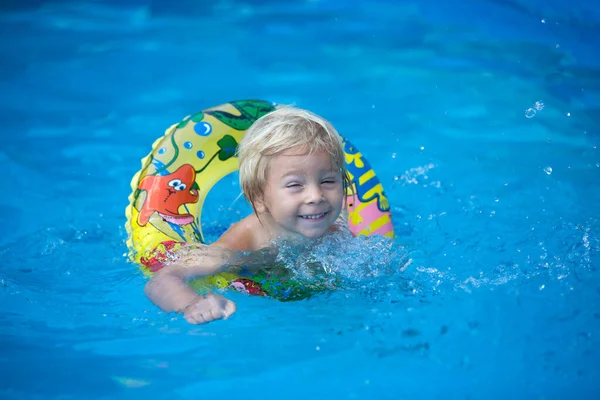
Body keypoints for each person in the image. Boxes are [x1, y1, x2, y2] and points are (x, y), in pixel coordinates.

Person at [144, 106, 352, 324]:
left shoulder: (334, 227)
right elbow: (161, 280)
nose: (316, 196)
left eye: (327, 181)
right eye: (295, 185)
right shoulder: (241, 246)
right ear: (258, 199)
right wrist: (192, 303)